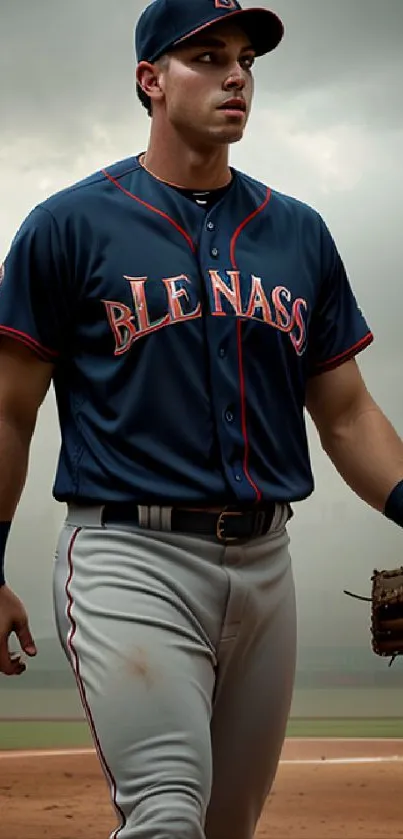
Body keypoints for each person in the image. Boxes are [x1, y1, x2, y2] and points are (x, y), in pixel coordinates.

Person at [1, 0, 403, 836]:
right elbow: (8, 411)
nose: (236, 76)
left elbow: (345, 412)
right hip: (127, 555)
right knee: (165, 813)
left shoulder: (298, 234)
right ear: (150, 80)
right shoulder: (68, 227)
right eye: (207, 56)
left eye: (247, 58)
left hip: (267, 564)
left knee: (224, 826)